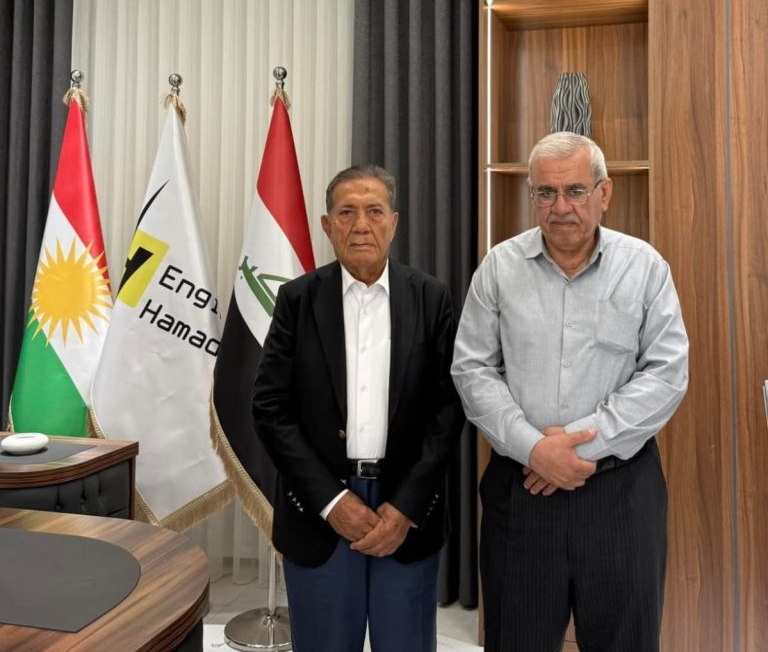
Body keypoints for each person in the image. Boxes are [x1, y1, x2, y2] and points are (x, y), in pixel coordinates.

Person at [452, 132, 689, 652]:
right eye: (546, 192)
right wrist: (534, 449)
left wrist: (575, 447)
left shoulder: (645, 267)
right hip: (522, 493)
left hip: (620, 495)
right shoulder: (499, 268)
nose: (560, 207)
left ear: (604, 193)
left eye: (575, 191)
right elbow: (471, 370)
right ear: (532, 195)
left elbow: (666, 373)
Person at [252, 164, 465, 652]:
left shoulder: (431, 297)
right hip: (320, 508)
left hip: (404, 511)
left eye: (374, 211)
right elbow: (269, 408)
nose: (361, 225)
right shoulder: (297, 300)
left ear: (394, 222)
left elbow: (449, 409)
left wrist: (406, 505)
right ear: (327, 226)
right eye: (347, 213)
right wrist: (331, 501)